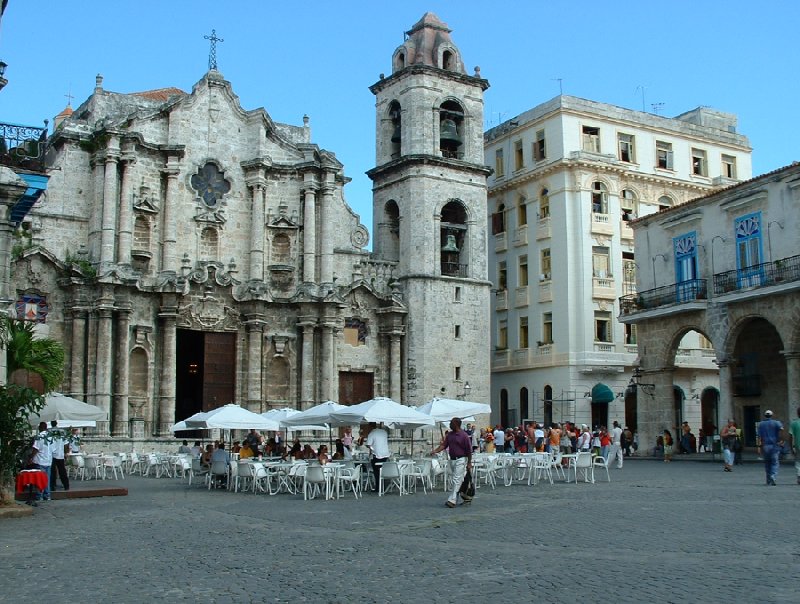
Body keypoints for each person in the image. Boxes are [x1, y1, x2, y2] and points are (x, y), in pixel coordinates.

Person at [431, 417, 473, 508]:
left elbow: (469, 451)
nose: (449, 425)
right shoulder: (449, 435)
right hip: (452, 459)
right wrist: (435, 451)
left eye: (451, 423)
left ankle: (452, 500)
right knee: (458, 479)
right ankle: (466, 496)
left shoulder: (464, 435)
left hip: (461, 459)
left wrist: (469, 463)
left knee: (456, 480)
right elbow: (444, 445)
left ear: (456, 424)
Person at [757, 409, 784, 486]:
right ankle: (773, 476)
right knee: (775, 463)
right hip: (774, 445)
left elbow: (759, 437)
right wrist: (781, 440)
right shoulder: (776, 423)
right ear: (772, 415)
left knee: (767, 463)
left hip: (765, 445)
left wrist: (759, 447)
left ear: (765, 415)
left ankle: (768, 479)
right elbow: (782, 430)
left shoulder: (761, 424)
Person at [29, 422, 53, 501]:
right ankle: (47, 495)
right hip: (48, 460)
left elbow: (36, 448)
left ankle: (39, 495)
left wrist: (31, 457)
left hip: (40, 460)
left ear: (40, 428)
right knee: (47, 479)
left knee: (39, 479)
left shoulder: (39, 436)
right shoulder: (51, 437)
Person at [366, 422, 390, 490]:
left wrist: (369, 447)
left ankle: (378, 487)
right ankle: (383, 486)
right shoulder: (384, 432)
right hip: (385, 454)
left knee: (377, 472)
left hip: (377, 454)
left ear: (370, 427)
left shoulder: (372, 433)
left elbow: (368, 444)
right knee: (383, 471)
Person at [49, 421, 70, 492]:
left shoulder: (49, 432)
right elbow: (66, 444)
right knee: (62, 470)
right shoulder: (62, 432)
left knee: (52, 471)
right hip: (60, 453)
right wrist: (66, 452)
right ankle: (66, 485)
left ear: (51, 424)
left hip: (51, 454)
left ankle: (52, 486)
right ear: (56, 423)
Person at [789, 406, 800, 486]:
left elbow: (790, 436)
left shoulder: (794, 423)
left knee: (798, 462)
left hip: (798, 446)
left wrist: (791, 448)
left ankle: (799, 476)